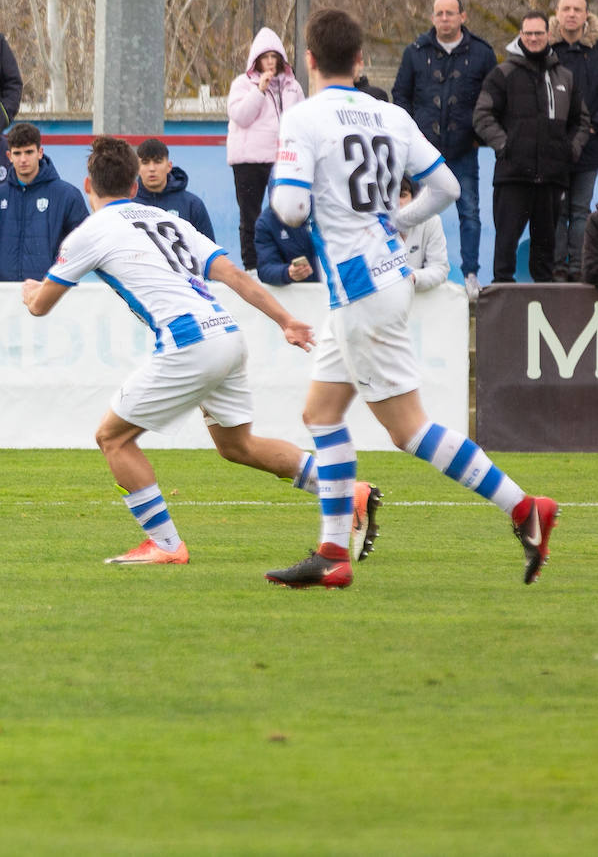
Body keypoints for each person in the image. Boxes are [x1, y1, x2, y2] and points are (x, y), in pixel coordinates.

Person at [266, 8, 556, 588]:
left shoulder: (303, 118)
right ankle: (331, 553)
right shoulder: (391, 115)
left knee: (409, 430)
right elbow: (446, 186)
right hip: (383, 278)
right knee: (320, 414)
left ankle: (526, 508)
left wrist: (284, 185)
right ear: (358, 61)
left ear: (310, 59)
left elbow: (293, 209)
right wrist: (395, 221)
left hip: (360, 286)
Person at [21, 136, 380, 565]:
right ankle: (345, 490)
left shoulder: (90, 232)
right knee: (237, 445)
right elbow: (231, 273)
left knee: (112, 438)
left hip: (189, 344)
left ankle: (167, 546)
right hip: (226, 334)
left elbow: (41, 306)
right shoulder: (166, 220)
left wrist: (30, 293)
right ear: (136, 185)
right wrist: (285, 320)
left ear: (87, 186)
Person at [473, 10, 589, 284]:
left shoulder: (565, 77)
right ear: (521, 36)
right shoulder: (502, 74)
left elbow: (581, 121)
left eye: (539, 33)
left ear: (549, 35)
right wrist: (504, 146)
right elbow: (482, 115)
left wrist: (569, 150)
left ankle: (545, 300)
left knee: (545, 248)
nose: (534, 38)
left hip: (552, 177)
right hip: (513, 175)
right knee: (506, 244)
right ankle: (502, 296)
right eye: (528, 33)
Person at [392, 0, 496, 299]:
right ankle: (404, 267)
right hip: (422, 153)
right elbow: (401, 95)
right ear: (432, 17)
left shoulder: (482, 53)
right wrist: (410, 136)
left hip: (464, 148)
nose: (444, 18)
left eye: (451, 13)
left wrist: (480, 134)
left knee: (471, 213)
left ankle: (471, 276)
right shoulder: (415, 52)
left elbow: (492, 98)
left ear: (463, 16)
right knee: (411, 211)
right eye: (439, 13)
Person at [226, 27, 304, 270]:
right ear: (256, 60)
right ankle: (251, 266)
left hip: (282, 160)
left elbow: (301, 120)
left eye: (274, 57)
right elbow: (240, 116)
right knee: (250, 216)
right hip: (248, 161)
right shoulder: (242, 84)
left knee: (285, 214)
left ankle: (281, 265)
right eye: (265, 57)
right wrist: (259, 90)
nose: (270, 62)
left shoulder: (293, 86)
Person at [0, 122, 89, 281]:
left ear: (40, 152)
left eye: (29, 152)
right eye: (17, 153)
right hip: (5, 291)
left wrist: (59, 272)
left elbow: (83, 243)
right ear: (9, 156)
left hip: (51, 291)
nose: (23, 159)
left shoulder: (66, 195)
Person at [550, 0, 598, 281]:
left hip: (591, 145)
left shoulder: (596, 52)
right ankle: (556, 267)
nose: (571, 14)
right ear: (557, 13)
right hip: (554, 144)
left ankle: (579, 267)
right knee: (556, 209)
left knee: (580, 210)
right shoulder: (544, 49)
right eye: (565, 8)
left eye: (576, 9)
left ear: (586, 15)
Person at [133, 138, 215, 240]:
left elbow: (209, 249)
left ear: (169, 166)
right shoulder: (127, 204)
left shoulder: (192, 205)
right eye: (145, 163)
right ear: (137, 168)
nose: (152, 168)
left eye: (157, 162)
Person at [398, 177, 450, 292]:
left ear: (414, 198)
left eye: (403, 195)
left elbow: (440, 268)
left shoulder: (431, 221)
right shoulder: (372, 225)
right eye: (391, 196)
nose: (397, 202)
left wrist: (413, 278)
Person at [252, 205, 318, 286]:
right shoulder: (267, 221)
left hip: (334, 281)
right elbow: (265, 269)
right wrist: (287, 272)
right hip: (307, 292)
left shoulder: (328, 205)